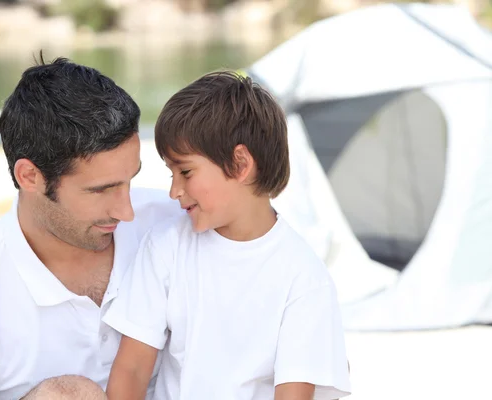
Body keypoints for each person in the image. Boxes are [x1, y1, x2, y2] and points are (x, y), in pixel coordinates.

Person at [0, 56, 182, 399]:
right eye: (100, 189)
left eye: (130, 180)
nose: (127, 212)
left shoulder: (175, 223)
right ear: (30, 177)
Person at [104, 71, 352, 400]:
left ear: (240, 164)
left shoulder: (304, 280)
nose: (174, 190)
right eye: (171, 174)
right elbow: (131, 371)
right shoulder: (166, 247)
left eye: (186, 172)